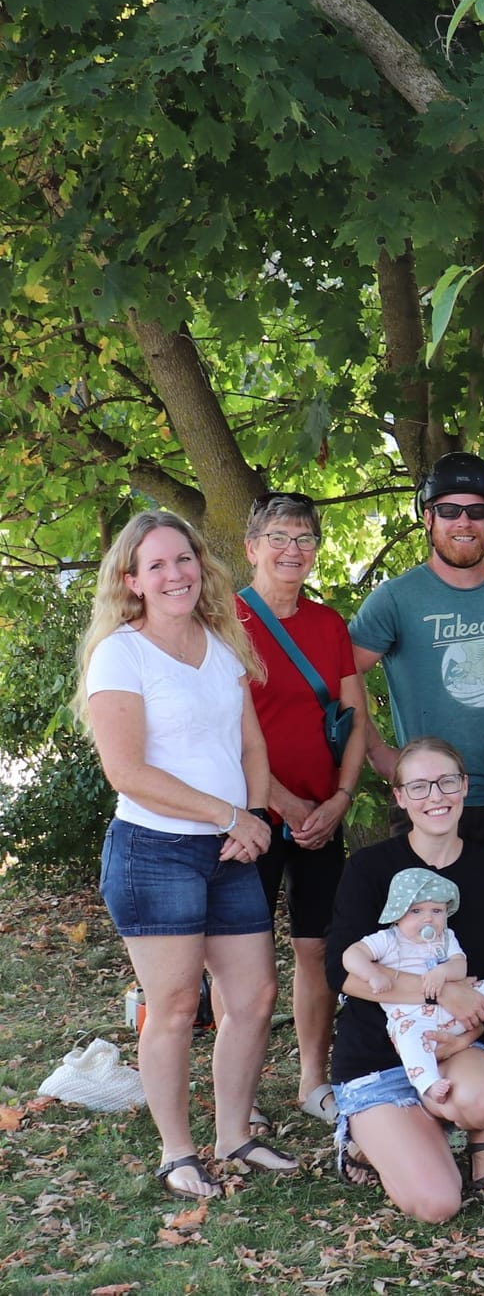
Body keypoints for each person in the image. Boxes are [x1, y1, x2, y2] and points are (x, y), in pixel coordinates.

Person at [78, 510, 291, 1201]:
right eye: (157, 565)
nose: (174, 574)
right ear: (132, 581)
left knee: (254, 997)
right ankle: (178, 1153)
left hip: (230, 847)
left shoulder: (221, 642)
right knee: (173, 1007)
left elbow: (251, 746)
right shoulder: (122, 653)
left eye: (184, 559)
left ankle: (235, 1135)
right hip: (154, 852)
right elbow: (128, 772)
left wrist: (252, 818)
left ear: (201, 565)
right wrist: (231, 814)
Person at [323, 739, 484, 1220]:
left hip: (455, 1040)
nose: (436, 795)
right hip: (378, 1054)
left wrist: (464, 1033)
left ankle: (473, 1129)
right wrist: (445, 990)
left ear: (465, 786)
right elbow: (339, 972)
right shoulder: (368, 867)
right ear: (400, 797)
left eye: (447, 781)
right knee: (436, 1204)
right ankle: (370, 1140)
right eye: (419, 785)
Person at [236, 491, 368, 1125]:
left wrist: (340, 800)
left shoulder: (328, 623)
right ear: (252, 547)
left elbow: (355, 719)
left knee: (316, 949)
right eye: (280, 538)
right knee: (247, 956)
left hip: (321, 816)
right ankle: (241, 1094)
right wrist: (282, 804)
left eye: (305, 540)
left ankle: (312, 1081)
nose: (294, 551)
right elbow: (221, 732)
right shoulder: (223, 621)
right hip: (251, 819)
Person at [352, 451, 484, 850]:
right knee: (424, 913)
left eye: (476, 511)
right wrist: (375, 751)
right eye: (448, 510)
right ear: (428, 518)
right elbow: (342, 672)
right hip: (424, 797)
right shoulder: (394, 598)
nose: (463, 522)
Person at [340, 867, 484, 1107]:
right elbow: (351, 955)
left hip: (455, 1014)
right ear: (397, 914)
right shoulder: (388, 940)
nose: (428, 918)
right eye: (416, 911)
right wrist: (372, 974)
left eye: (436, 911)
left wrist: (443, 972)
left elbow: (460, 965)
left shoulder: (445, 937)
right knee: (408, 1037)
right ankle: (427, 1082)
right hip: (413, 1017)